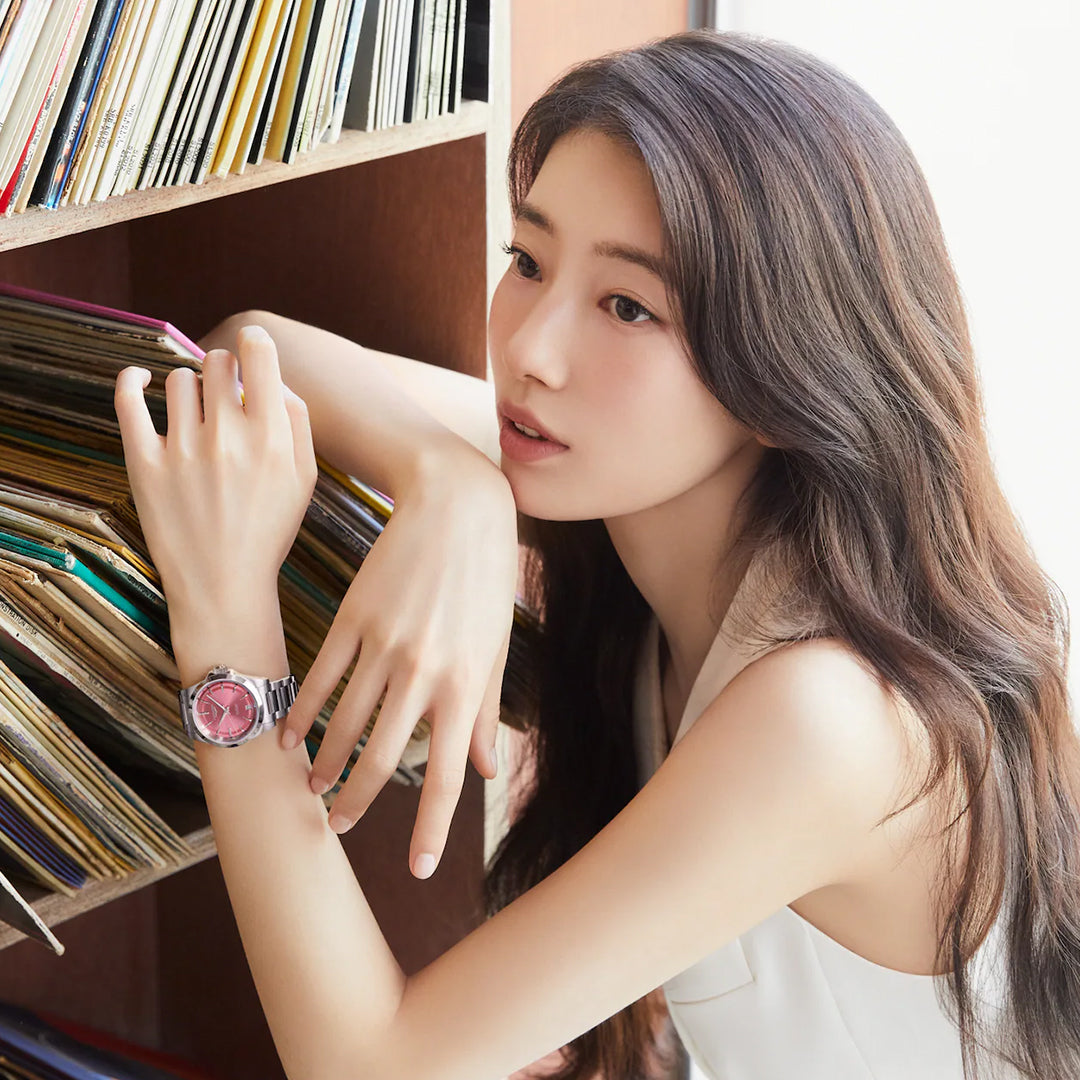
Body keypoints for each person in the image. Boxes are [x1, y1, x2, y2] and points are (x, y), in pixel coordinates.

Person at [112, 28, 1080, 1080]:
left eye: (627, 305)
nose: (529, 349)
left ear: (787, 365)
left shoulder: (831, 715)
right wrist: (452, 485)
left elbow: (369, 1071)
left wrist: (227, 633)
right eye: (527, 260)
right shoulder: (638, 484)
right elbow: (244, 355)